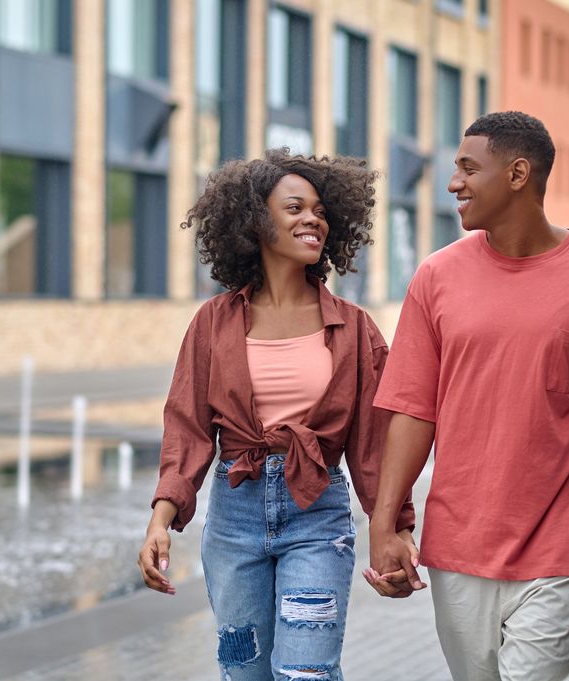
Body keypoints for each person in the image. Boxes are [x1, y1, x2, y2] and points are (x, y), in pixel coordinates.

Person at [364, 111, 569, 681]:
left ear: (518, 174)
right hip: (459, 543)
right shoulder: (436, 277)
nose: (453, 183)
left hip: (559, 547)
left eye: (469, 168)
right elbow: (413, 409)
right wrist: (383, 522)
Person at [138, 148, 415, 681]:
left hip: (318, 515)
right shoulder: (213, 323)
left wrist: (396, 527)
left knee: (305, 673)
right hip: (234, 517)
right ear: (255, 223)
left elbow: (376, 446)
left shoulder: (355, 329)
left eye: (319, 210)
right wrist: (161, 519)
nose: (312, 218)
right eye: (294, 208)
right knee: (243, 673)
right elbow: (188, 427)